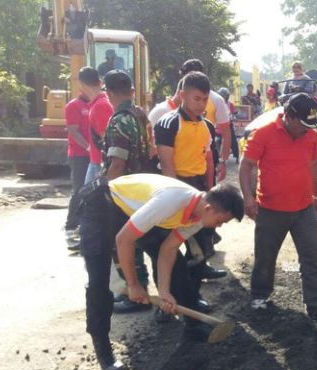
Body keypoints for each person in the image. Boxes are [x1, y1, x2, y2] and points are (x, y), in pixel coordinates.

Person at [80, 173, 243, 370]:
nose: (219, 227)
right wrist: (133, 284)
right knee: (99, 281)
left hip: (135, 210)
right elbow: (124, 240)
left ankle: (192, 326)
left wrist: (164, 293)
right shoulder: (171, 202)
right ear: (210, 209)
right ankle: (104, 353)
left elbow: (168, 250)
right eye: (221, 221)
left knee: (178, 265)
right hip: (103, 206)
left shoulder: (199, 216)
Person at [239, 93, 317, 321]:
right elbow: (246, 166)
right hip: (270, 208)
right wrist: (247, 198)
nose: (307, 129)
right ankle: (260, 296)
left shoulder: (311, 135)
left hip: (303, 207)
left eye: (310, 125)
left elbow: (314, 164)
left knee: (312, 256)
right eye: (303, 124)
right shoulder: (263, 133)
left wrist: (315, 195)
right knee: (265, 256)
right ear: (289, 116)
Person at [155, 71, 227, 311]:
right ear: (183, 95)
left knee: (200, 251)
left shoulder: (207, 126)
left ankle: (193, 297)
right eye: (197, 98)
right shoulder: (168, 123)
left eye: (205, 99)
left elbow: (208, 161)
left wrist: (211, 192)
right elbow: (167, 165)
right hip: (175, 190)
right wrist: (175, 200)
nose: (201, 104)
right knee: (168, 251)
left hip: (199, 190)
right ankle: (166, 303)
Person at [100, 70, 159, 315]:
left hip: (123, 190)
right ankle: (141, 288)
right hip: (142, 186)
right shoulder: (141, 115)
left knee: (122, 242)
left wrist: (106, 192)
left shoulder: (119, 120)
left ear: (109, 93)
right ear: (131, 91)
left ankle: (133, 293)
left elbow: (116, 163)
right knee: (136, 239)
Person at [178, 59, 232, 182]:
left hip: (206, 160)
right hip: (181, 161)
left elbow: (226, 132)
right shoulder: (180, 98)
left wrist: (223, 161)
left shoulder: (216, 100)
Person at [64, 68, 93, 248]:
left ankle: (86, 227)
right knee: (79, 190)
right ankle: (71, 226)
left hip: (95, 156)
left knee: (93, 192)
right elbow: (73, 131)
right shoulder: (73, 106)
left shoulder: (97, 103)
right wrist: (88, 147)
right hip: (79, 155)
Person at [74, 67, 106, 186]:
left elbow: (106, 139)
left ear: (81, 84)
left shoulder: (99, 106)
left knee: (87, 201)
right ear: (100, 82)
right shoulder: (99, 103)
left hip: (98, 163)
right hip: (97, 161)